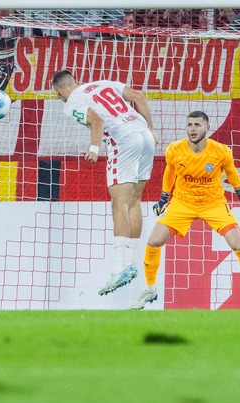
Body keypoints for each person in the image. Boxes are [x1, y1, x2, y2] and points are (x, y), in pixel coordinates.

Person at [130, 111, 240, 310]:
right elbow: (170, 172)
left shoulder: (221, 151)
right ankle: (150, 289)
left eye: (197, 125)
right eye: (190, 125)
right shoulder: (174, 149)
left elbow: (231, 172)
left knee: (237, 244)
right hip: (182, 203)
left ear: (207, 128)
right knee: (153, 241)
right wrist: (164, 197)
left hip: (213, 203)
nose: (193, 129)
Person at [51, 70, 158, 297]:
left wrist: (93, 148)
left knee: (118, 203)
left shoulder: (71, 102)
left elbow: (96, 119)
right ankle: (130, 263)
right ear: (76, 81)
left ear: (58, 91)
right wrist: (150, 128)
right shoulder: (103, 83)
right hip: (144, 136)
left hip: (123, 141)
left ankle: (120, 268)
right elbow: (138, 96)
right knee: (134, 201)